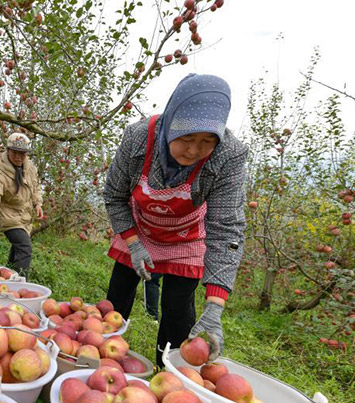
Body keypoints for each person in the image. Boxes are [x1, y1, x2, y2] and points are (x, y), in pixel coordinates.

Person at [103, 74, 248, 366]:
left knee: (178, 311)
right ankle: (102, 353)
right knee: (117, 297)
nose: (194, 151)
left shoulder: (229, 155)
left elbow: (226, 230)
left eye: (207, 141)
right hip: (139, 227)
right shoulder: (138, 138)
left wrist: (215, 306)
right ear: (172, 123)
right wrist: (132, 243)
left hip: (186, 235)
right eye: (186, 138)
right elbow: (114, 196)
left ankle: (166, 371)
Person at [0, 132, 43, 280]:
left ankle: (7, 279)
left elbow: (36, 186)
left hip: (25, 218)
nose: (19, 157)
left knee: (17, 251)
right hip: (8, 218)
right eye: (15, 153)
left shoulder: (30, 168)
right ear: (8, 151)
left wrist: (37, 203)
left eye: (23, 153)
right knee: (24, 247)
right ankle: (20, 285)